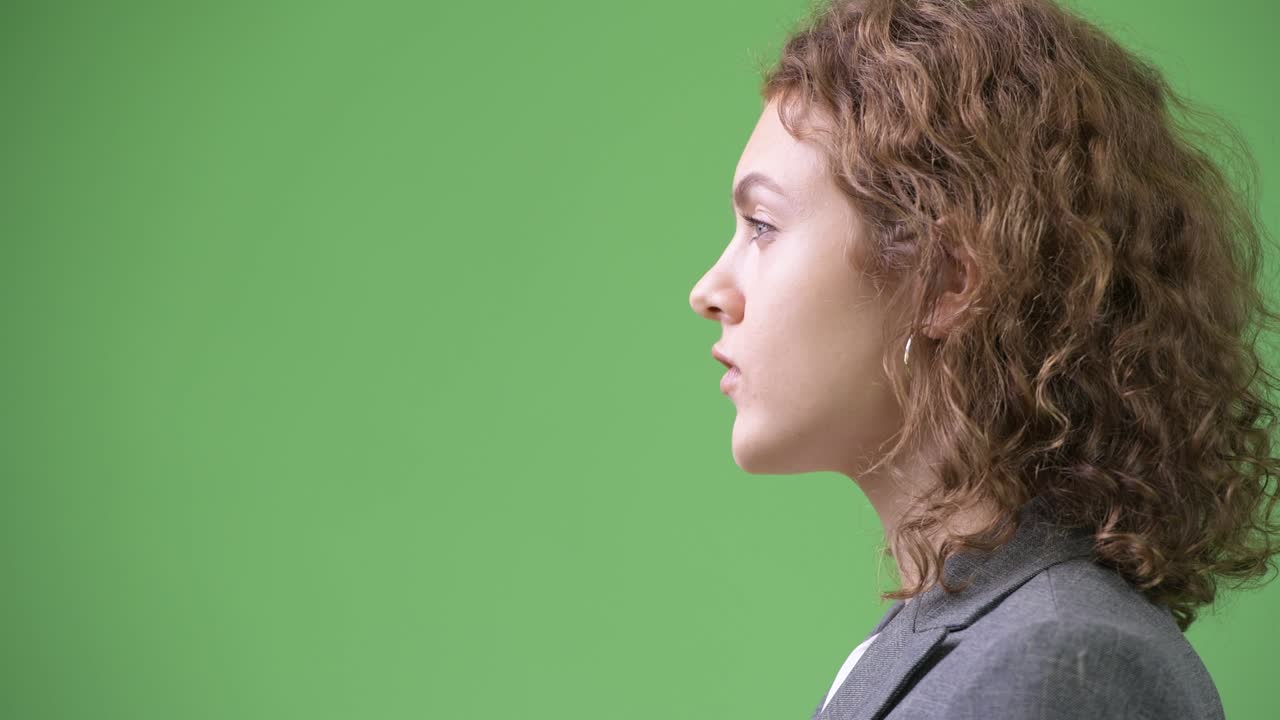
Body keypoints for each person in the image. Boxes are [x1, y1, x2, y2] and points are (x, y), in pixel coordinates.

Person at [687, 1, 1280, 718]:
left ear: (948, 282)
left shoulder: (1062, 668)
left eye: (762, 225)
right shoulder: (944, 639)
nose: (709, 291)